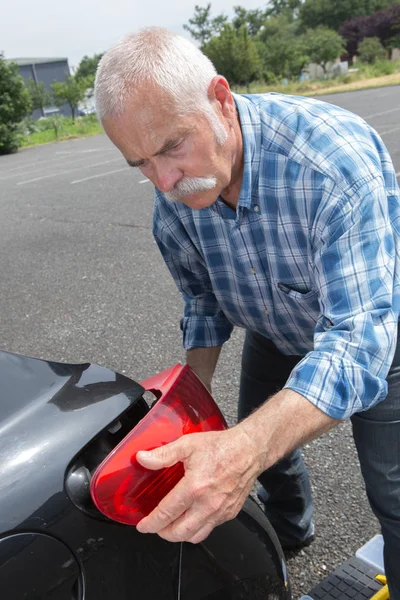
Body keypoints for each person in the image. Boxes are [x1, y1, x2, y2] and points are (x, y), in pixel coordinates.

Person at [95, 28, 400, 597]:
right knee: (261, 450)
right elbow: (204, 300)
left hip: (379, 333)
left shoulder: (331, 164)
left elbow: (359, 344)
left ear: (220, 98)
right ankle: (288, 533)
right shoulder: (176, 195)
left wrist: (245, 449)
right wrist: (189, 399)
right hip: (276, 326)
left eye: (171, 147)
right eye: (140, 163)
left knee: (394, 493)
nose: (162, 181)